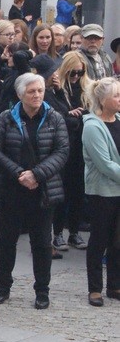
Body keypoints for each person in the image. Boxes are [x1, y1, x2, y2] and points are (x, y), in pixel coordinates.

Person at [0, 73, 69, 310]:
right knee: (6, 241)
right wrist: (18, 174)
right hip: (12, 190)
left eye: (40, 90)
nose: (37, 95)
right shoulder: (6, 118)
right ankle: (3, 286)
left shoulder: (54, 118)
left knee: (42, 243)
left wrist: (36, 174)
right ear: (20, 94)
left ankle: (42, 290)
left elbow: (62, 151)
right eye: (31, 91)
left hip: (42, 190)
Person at [80, 77, 120, 306]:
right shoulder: (93, 126)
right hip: (102, 192)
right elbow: (104, 164)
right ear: (103, 101)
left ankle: (114, 285)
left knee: (118, 240)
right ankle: (94, 288)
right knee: (99, 239)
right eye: (116, 95)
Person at [46, 52, 89, 254]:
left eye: (80, 73)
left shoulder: (87, 88)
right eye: (72, 72)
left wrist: (73, 117)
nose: (76, 76)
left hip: (82, 146)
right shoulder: (57, 90)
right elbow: (60, 117)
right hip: (65, 147)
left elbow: (87, 115)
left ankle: (73, 231)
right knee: (61, 192)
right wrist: (70, 115)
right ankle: (57, 234)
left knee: (78, 191)